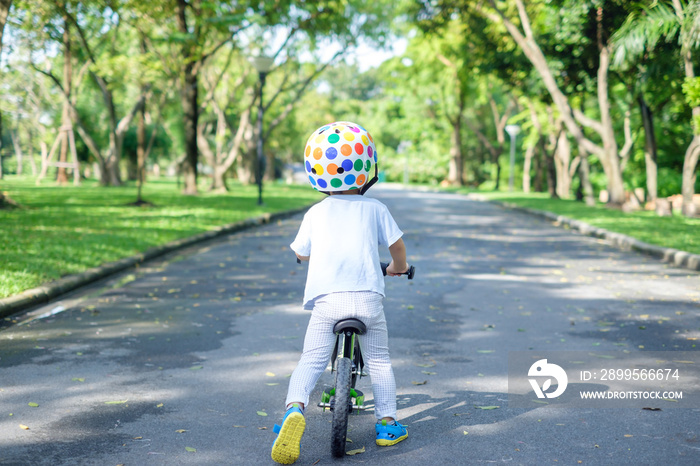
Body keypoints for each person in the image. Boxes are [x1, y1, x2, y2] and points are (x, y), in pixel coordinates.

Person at [271, 121, 410, 464]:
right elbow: (398, 248)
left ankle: (293, 410)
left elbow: (301, 252)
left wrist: (306, 254)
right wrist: (397, 268)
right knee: (379, 360)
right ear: (367, 169)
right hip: (367, 300)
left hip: (328, 302)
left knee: (311, 358)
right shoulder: (376, 208)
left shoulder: (316, 213)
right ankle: (387, 423)